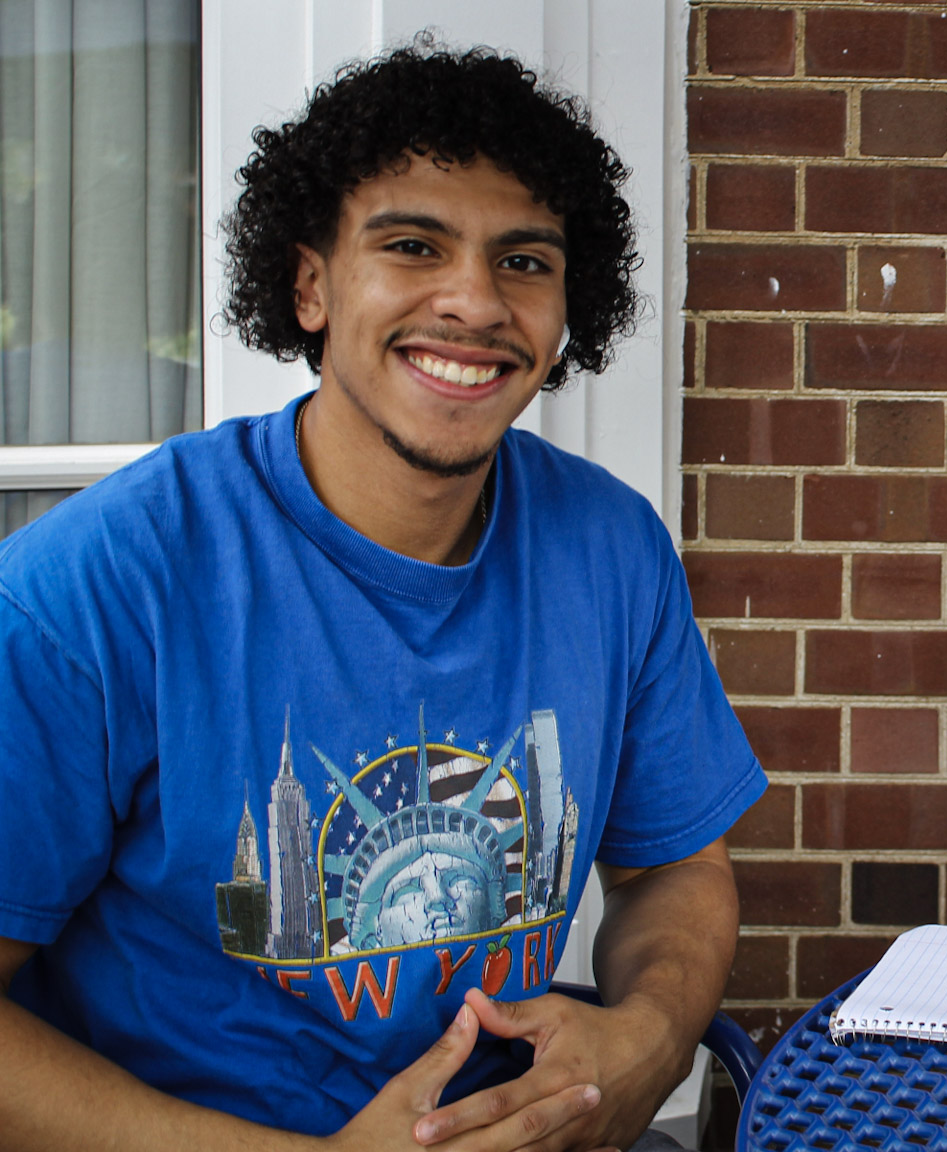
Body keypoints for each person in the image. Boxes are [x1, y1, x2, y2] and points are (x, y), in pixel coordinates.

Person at [0, 43, 764, 1151]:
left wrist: (646, 1034)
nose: (473, 302)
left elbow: (675, 869)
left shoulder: (608, 549)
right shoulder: (97, 584)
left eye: (524, 260)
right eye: (412, 246)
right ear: (310, 283)